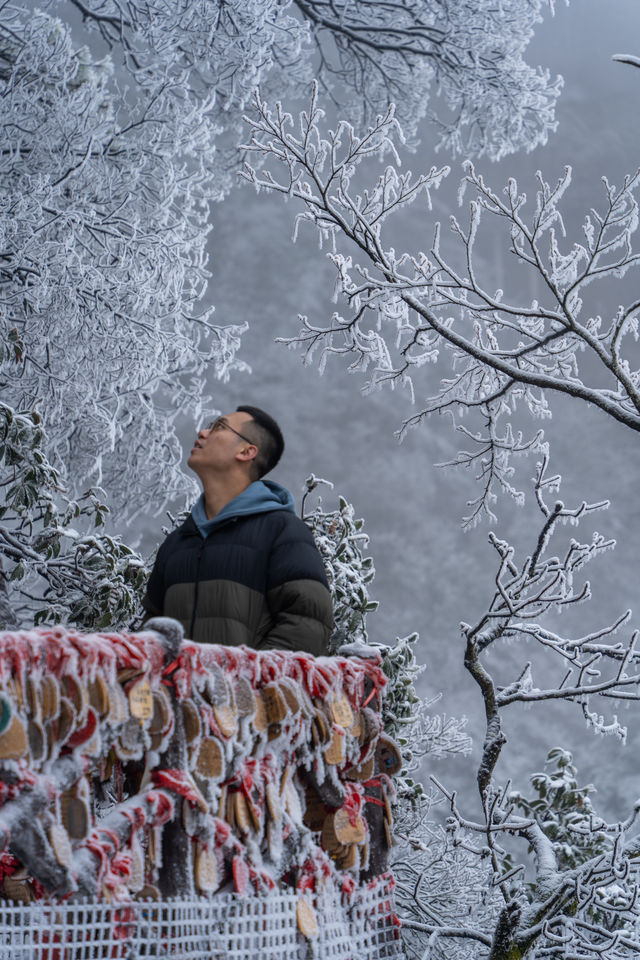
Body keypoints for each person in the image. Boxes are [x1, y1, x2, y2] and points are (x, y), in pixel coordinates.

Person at [143, 405, 333, 655]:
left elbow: (306, 627)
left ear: (246, 451)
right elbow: (152, 632)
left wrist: (247, 684)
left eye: (218, 427)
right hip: (175, 694)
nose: (202, 433)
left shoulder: (283, 533)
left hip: (245, 693)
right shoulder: (178, 543)